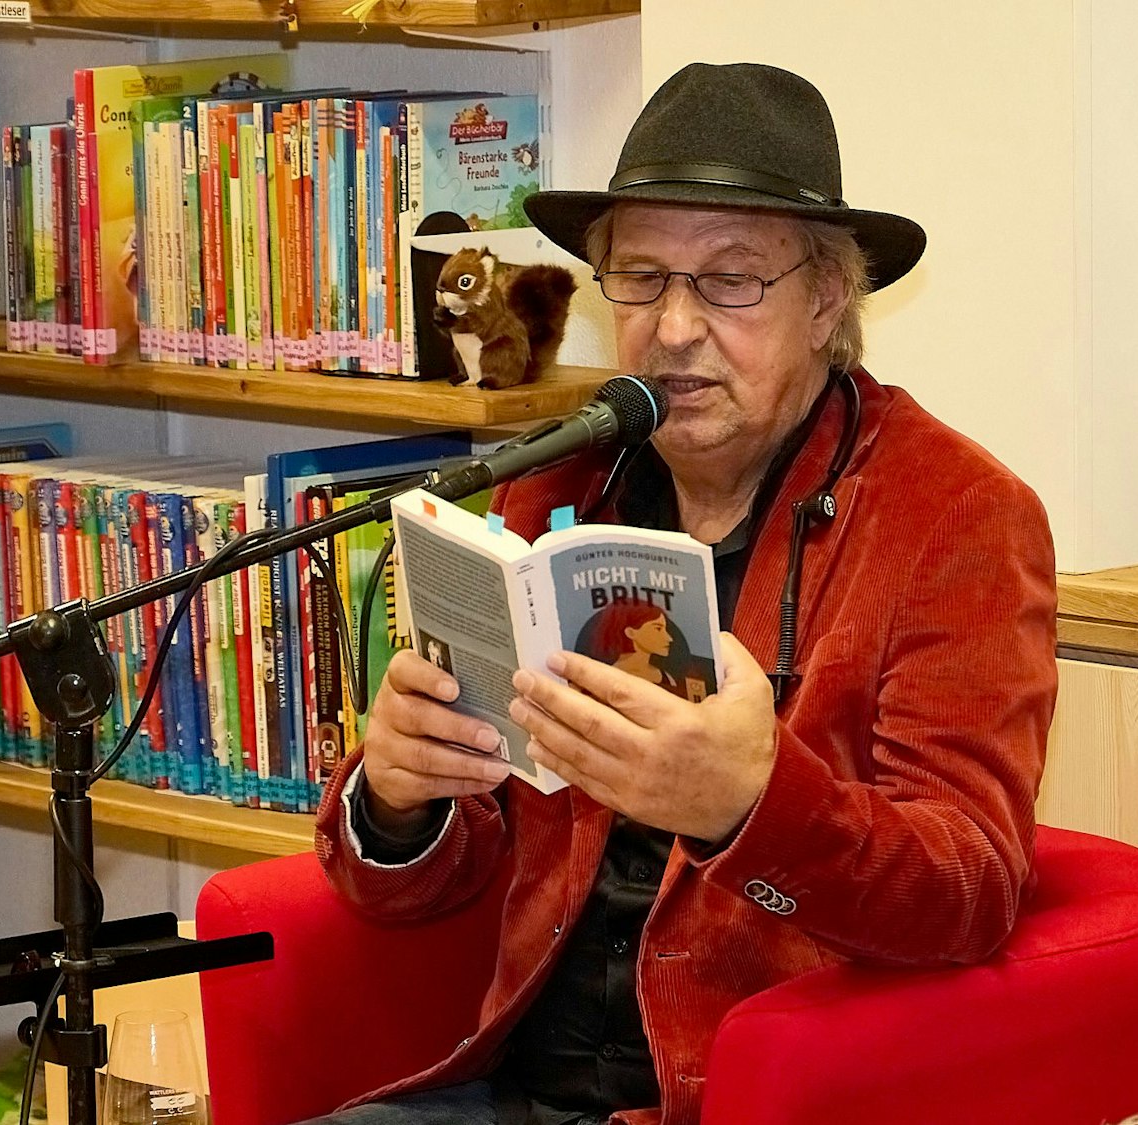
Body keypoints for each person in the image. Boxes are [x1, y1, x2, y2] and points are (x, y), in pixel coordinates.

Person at [303, 62, 1058, 1125]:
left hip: (748, 1099)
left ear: (826, 298)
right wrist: (395, 798)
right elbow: (415, 891)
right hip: (515, 1090)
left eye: (730, 280)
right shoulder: (552, 482)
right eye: (642, 277)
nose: (673, 326)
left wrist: (748, 807)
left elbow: (964, 895)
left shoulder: (953, 515)